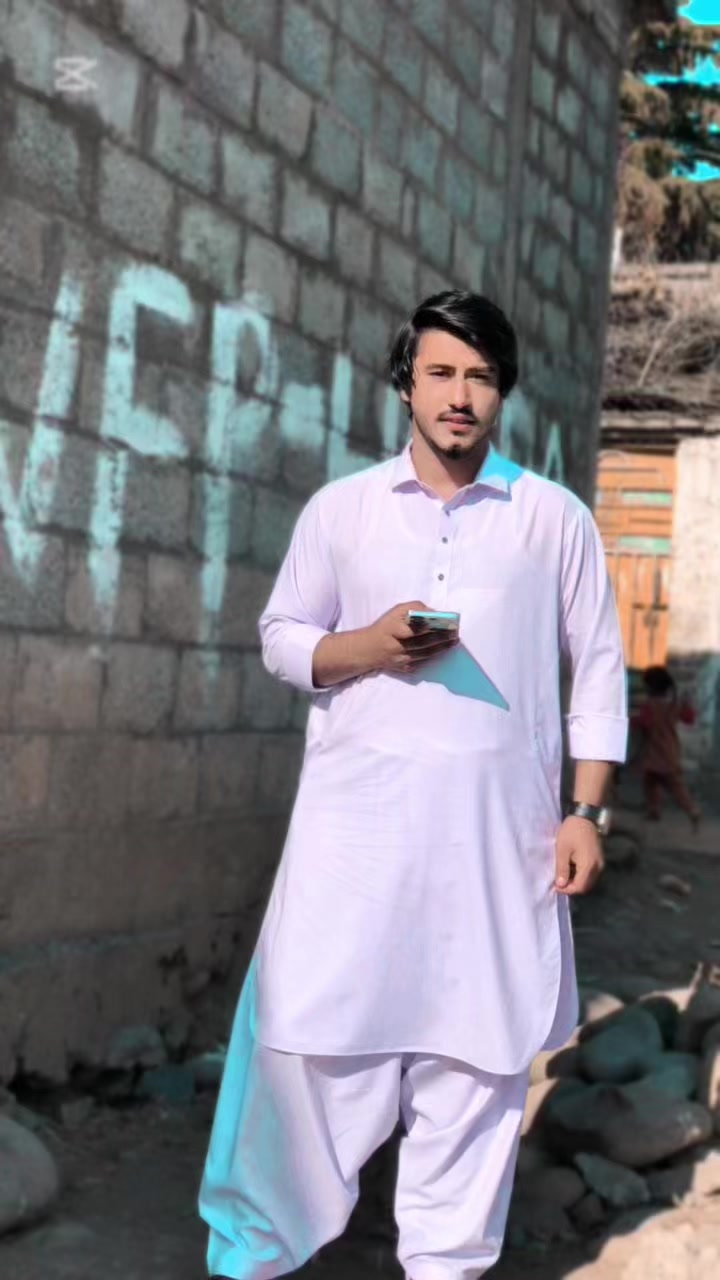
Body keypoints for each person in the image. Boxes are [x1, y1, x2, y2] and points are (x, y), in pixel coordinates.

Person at [198, 290, 628, 1280]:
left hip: (497, 851)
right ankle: (252, 1257)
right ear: (406, 384)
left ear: (503, 391)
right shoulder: (342, 510)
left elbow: (600, 667)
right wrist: (371, 645)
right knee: (308, 1053)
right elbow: (282, 636)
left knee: (477, 1066)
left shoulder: (552, 518)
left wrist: (587, 810)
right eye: (440, 373)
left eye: (480, 376)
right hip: (354, 848)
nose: (459, 396)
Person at [631, 665, 700, 830]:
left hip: (655, 751)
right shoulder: (673, 704)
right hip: (670, 751)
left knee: (658, 782)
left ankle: (688, 809)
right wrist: (687, 704)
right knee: (660, 782)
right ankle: (660, 810)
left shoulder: (650, 705)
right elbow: (689, 719)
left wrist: (632, 721)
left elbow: (645, 723)